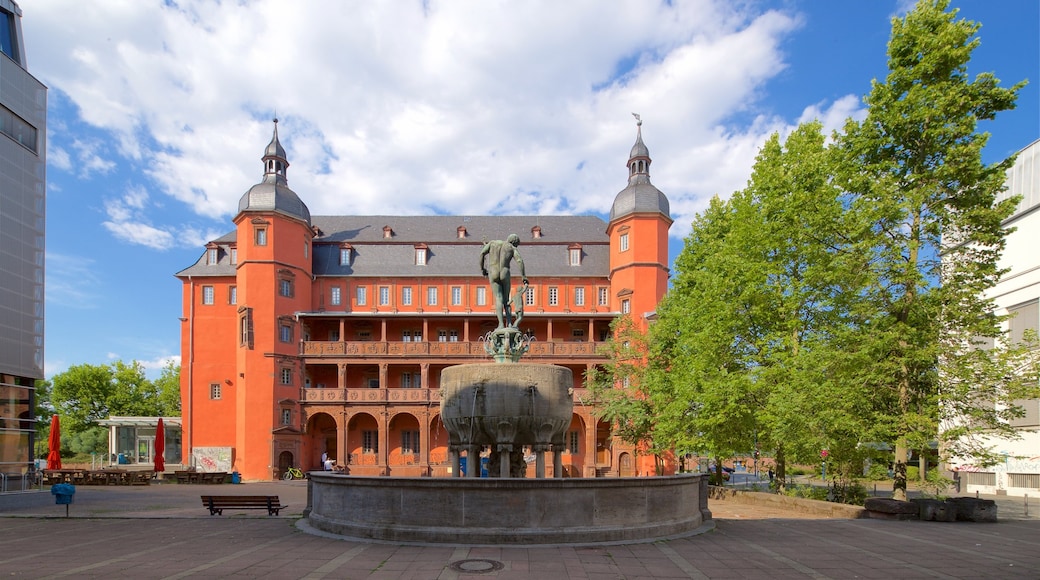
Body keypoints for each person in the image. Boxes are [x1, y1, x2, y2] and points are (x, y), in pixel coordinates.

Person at [479, 234, 528, 329]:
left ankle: (501, 324)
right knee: (506, 300)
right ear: (514, 243)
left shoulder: (492, 243)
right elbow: (519, 261)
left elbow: (482, 253)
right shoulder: (511, 248)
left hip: (493, 272)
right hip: (505, 272)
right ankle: (509, 323)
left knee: (498, 298)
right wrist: (523, 276)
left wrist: (482, 269)